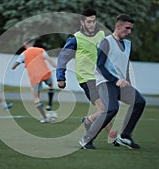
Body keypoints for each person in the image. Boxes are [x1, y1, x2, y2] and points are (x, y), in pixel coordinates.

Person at [79, 14, 146, 149]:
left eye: (131, 29)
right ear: (118, 26)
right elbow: (100, 65)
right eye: (127, 28)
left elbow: (125, 66)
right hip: (105, 81)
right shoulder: (106, 42)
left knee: (139, 101)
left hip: (121, 83)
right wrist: (116, 80)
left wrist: (128, 82)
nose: (129, 32)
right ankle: (86, 140)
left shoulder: (127, 44)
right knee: (111, 109)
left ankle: (125, 137)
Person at [56, 8, 114, 139]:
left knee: (105, 109)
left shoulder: (101, 35)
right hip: (86, 78)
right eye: (89, 22)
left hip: (100, 77)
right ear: (82, 22)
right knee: (103, 108)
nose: (92, 24)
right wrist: (61, 77)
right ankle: (100, 134)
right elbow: (63, 58)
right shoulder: (75, 38)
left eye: (93, 21)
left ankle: (95, 124)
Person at [12, 38, 56, 123]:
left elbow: (14, 66)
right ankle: (49, 105)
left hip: (34, 77)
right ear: (33, 43)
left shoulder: (23, 54)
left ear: (25, 44)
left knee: (36, 97)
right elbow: (49, 59)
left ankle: (45, 117)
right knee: (51, 86)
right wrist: (57, 67)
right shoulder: (40, 50)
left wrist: (18, 64)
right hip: (45, 73)